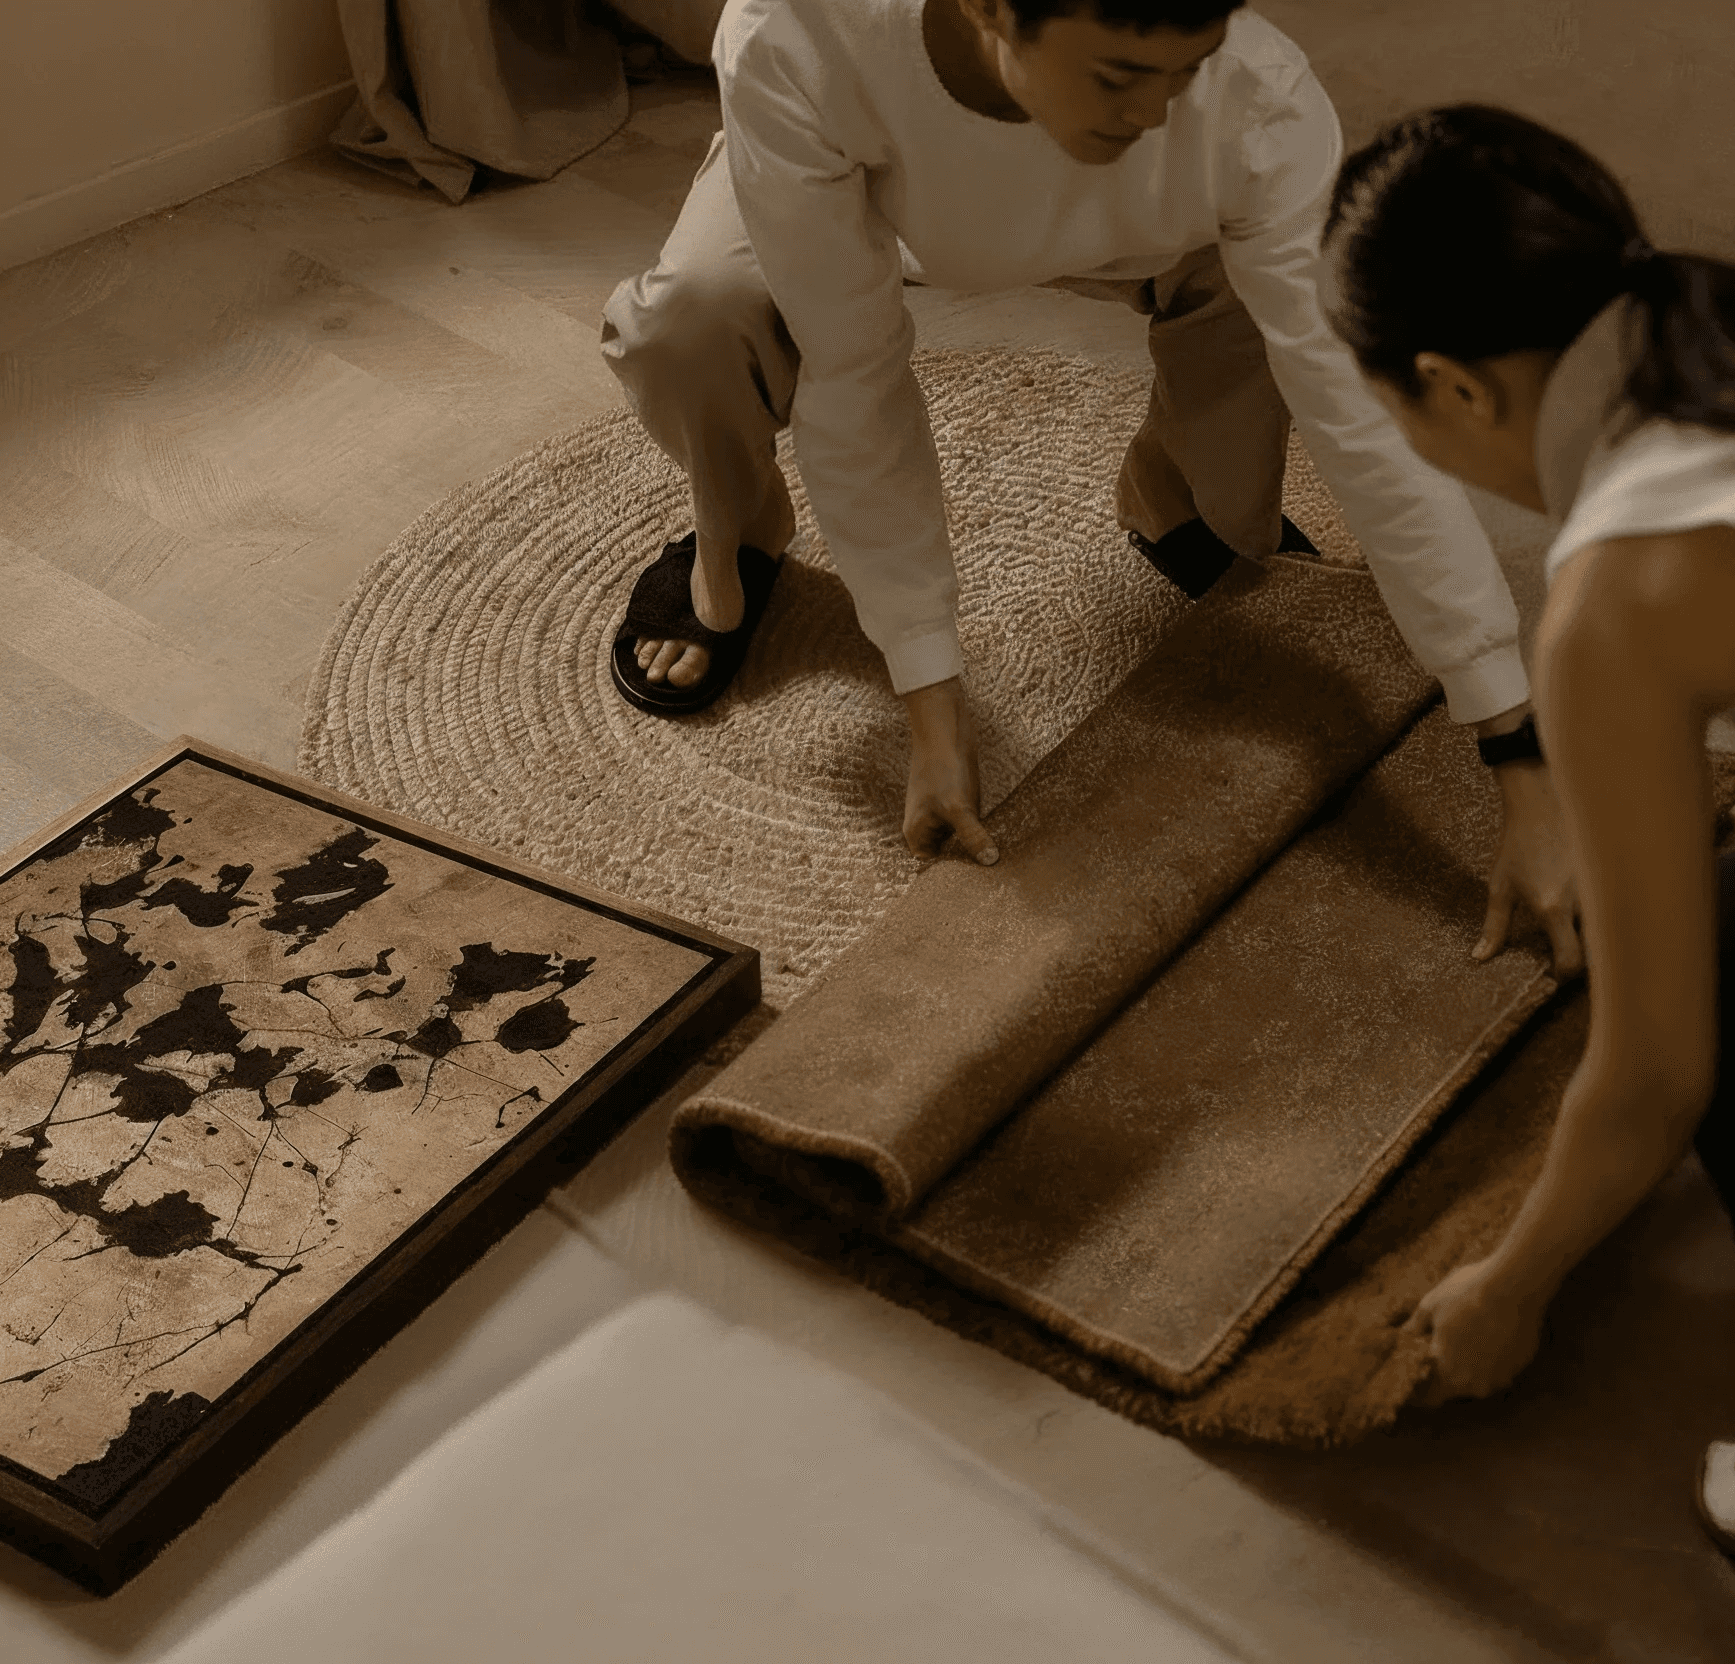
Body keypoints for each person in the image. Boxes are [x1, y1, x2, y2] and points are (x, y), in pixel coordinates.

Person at [599, 0, 1583, 979]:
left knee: (1282, 281)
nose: (1157, 112)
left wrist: (1517, 751)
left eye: (1184, 70)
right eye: (1120, 77)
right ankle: (742, 529)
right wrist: (932, 695)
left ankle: (1178, 493)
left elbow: (1362, 418)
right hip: (860, 188)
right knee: (687, 322)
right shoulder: (796, 37)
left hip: (1145, 227)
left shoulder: (1252, 97)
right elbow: (855, 382)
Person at [1318, 101, 1735, 1558]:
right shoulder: (1707, 325)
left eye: (1400, 424)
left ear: (1450, 387)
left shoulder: (1614, 600)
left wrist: (1509, 1284)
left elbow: (1651, 1073)